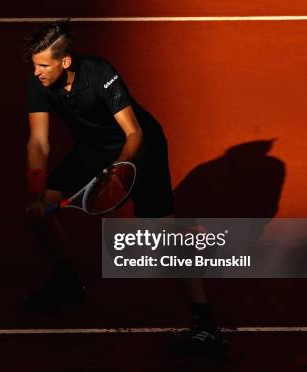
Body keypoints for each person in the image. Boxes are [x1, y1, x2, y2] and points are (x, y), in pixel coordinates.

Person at [23, 20, 227, 358]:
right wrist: (34, 190)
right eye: (34, 64)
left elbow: (133, 134)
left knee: (161, 234)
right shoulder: (38, 82)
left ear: (66, 62)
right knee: (38, 213)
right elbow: (39, 142)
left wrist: (118, 173)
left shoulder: (100, 73)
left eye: (44, 65)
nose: (38, 72)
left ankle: (207, 326)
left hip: (140, 148)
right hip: (92, 148)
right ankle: (67, 283)